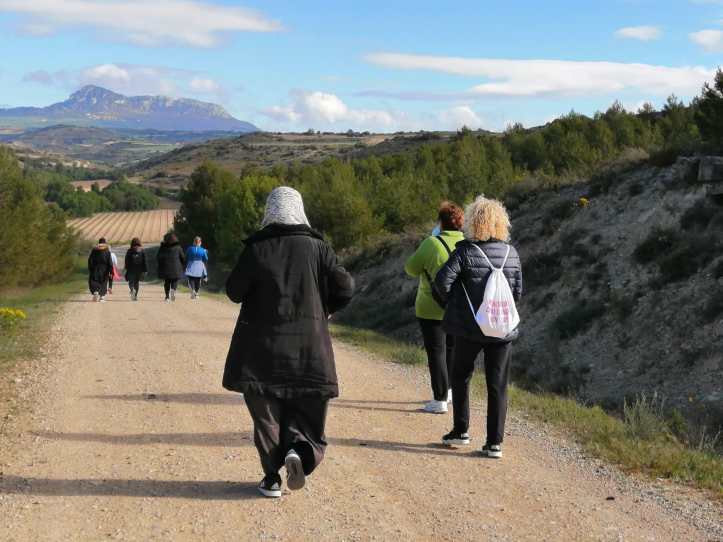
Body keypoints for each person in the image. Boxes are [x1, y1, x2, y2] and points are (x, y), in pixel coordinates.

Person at [222, 186, 354, 498]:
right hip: (310, 348)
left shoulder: (257, 248)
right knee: (307, 407)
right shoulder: (318, 248)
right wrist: (327, 308)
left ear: (269, 211)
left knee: (266, 415)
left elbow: (234, 291)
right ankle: (299, 450)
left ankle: (271, 477)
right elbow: (346, 287)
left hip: (260, 349)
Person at [434, 196, 522, 459]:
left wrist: (455, 305)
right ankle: (494, 443)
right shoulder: (511, 253)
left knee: (461, 376)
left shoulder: (465, 252)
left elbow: (441, 282)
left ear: (472, 221)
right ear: (501, 222)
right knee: (498, 384)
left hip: (469, 328)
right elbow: (517, 292)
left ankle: (461, 431)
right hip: (502, 329)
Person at [404, 202, 465, 414]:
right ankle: (449, 391)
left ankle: (439, 399)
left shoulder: (431, 243)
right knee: (452, 350)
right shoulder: (468, 243)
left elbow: (410, 269)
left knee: (436, 352)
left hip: (431, 307)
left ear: (440, 222)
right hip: (458, 307)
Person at [157, 232, 186, 302]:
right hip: (176, 269)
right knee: (174, 281)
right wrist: (183, 265)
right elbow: (183, 258)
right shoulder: (178, 248)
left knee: (167, 282)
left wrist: (161, 264)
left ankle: (167, 297)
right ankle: (173, 291)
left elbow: (158, 257)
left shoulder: (163, 247)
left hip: (165, 268)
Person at [88, 237, 113, 303]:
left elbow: (90, 260)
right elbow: (110, 263)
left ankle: (95, 292)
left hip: (95, 269)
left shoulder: (94, 251)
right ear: (105, 243)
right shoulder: (107, 251)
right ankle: (102, 297)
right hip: (105, 270)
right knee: (103, 283)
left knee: (94, 281)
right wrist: (111, 271)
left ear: (99, 243)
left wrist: (90, 269)